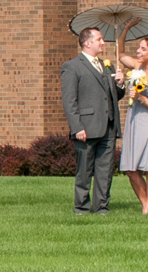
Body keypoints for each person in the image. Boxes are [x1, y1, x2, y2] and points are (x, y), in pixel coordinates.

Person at [61, 27, 123, 215]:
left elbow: (112, 97)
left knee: (105, 170)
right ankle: (81, 206)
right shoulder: (72, 66)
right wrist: (77, 126)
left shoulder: (108, 66)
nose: (103, 43)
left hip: (108, 125)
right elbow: (69, 100)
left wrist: (120, 84)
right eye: (99, 39)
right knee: (84, 170)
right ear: (87, 42)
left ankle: (101, 206)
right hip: (86, 127)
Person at [116, 35, 148, 215]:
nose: (138, 51)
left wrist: (141, 98)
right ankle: (147, 205)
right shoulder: (138, 67)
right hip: (135, 122)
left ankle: (147, 207)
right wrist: (123, 33)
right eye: (138, 48)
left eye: (143, 49)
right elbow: (122, 55)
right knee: (130, 168)